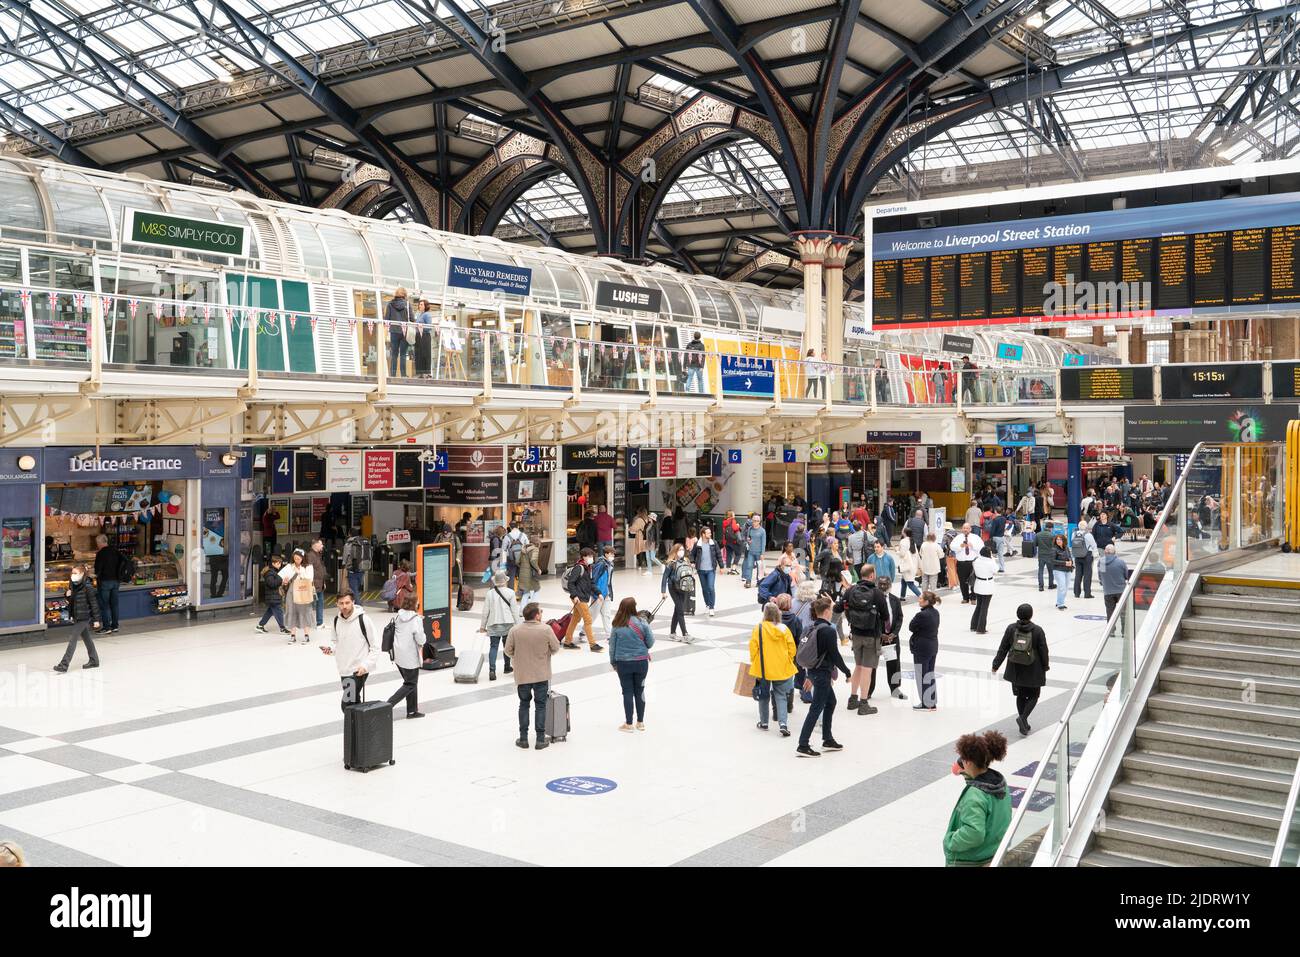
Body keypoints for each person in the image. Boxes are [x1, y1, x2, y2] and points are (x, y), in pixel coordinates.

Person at [943, 731, 1012, 866]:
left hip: (971, 861)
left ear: (968, 762)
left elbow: (974, 833)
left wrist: (950, 841)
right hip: (993, 852)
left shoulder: (975, 796)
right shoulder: (1000, 784)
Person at [796, 595, 851, 757]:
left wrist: (808, 675)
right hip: (822, 674)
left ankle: (827, 739)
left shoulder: (811, 627)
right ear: (827, 611)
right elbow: (835, 655)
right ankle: (803, 744)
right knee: (816, 708)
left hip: (814, 671)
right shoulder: (827, 630)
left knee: (831, 702)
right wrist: (847, 672)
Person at [504, 602, 561, 749]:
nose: (541, 615)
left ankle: (523, 738)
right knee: (540, 706)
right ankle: (540, 739)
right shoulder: (546, 629)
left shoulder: (515, 630)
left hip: (522, 674)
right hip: (541, 674)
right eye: (540, 612)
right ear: (536, 615)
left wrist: (518, 657)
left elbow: (507, 650)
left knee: (523, 704)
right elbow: (555, 648)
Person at [838, 565, 889, 716]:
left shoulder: (851, 590)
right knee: (867, 669)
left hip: (856, 635)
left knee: (858, 666)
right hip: (871, 636)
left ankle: (853, 699)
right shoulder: (877, 593)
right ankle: (864, 703)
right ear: (872, 575)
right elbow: (886, 616)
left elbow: (838, 608)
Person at [992, 603, 1050, 735]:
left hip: (1015, 667)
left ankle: (1023, 722)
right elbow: (1043, 650)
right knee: (1034, 695)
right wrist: (1045, 666)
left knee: (1021, 695)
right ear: (1031, 615)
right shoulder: (1038, 630)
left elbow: (1003, 648)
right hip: (1033, 668)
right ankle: (1023, 719)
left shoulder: (1011, 629)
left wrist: (996, 664)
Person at [324, 591, 379, 712]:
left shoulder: (364, 619)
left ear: (353, 602)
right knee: (354, 701)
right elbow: (335, 641)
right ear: (337, 604)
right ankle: (359, 729)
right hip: (344, 669)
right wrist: (331, 649)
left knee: (347, 704)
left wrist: (365, 665)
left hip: (358, 670)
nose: (344, 606)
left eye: (347, 603)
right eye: (341, 603)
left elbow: (375, 646)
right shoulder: (336, 621)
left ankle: (353, 729)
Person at [750, 601, 799, 736]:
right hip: (782, 668)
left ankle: (764, 722)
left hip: (763, 668)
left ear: (765, 614)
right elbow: (792, 649)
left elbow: (753, 648)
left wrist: (755, 660)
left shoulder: (759, 628)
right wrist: (787, 658)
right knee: (781, 696)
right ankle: (783, 724)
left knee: (763, 696)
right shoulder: (784, 628)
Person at [609, 597, 654, 731]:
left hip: (623, 664)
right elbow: (650, 643)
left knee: (627, 692)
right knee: (640, 691)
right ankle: (640, 722)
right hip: (641, 662)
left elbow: (612, 647)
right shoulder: (643, 623)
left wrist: (613, 662)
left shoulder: (617, 624)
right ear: (634, 607)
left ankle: (628, 724)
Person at [53, 563, 101, 673]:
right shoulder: (73, 585)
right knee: (87, 639)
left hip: (84, 616)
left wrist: (96, 620)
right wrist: (67, 594)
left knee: (72, 639)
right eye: (72, 573)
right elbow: (72, 601)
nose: (73, 575)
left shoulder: (88, 587)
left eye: (75, 573)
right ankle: (94, 660)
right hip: (76, 615)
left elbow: (94, 604)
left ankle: (64, 664)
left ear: (82, 573)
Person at [387, 594, 427, 718]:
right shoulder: (416, 619)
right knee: (410, 683)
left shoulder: (399, 616)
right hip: (410, 657)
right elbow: (421, 640)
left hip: (398, 655)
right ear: (414, 604)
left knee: (410, 682)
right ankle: (388, 705)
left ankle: (412, 710)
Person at [868, 576, 906, 702]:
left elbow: (900, 617)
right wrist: (880, 634)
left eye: (886, 584)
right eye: (881, 584)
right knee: (872, 665)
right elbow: (871, 619)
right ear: (877, 585)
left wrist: (894, 633)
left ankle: (895, 689)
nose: (883, 587)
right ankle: (868, 691)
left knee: (894, 664)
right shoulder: (872, 600)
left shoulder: (895, 600)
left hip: (892, 638)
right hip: (877, 637)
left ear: (890, 585)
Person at [480, 569, 520, 680]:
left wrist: (482, 626)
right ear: (505, 581)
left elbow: (485, 611)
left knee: (493, 647)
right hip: (507, 623)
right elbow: (514, 611)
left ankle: (492, 670)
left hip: (493, 624)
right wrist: (518, 624)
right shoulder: (510, 593)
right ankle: (507, 667)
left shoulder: (490, 594)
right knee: (507, 646)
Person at [561, 548, 602, 651]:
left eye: (592, 556)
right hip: (579, 598)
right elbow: (571, 583)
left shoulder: (589, 568)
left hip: (583, 596)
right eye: (589, 556)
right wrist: (574, 596)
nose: (591, 558)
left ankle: (567, 641)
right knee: (588, 619)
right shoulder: (579, 568)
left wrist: (599, 593)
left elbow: (591, 583)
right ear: (583, 557)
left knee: (575, 619)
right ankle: (592, 644)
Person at [908, 590, 942, 711]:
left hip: (921, 648)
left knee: (921, 675)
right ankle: (932, 702)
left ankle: (925, 703)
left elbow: (911, 627)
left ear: (927, 601)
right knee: (930, 674)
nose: (919, 599)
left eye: (921, 598)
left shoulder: (921, 615)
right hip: (933, 646)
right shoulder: (935, 612)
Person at [279, 548, 315, 644]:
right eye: (295, 558)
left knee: (305, 612)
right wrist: (284, 581)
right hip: (292, 591)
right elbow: (281, 577)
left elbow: (310, 579)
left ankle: (306, 635)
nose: (297, 560)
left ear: (303, 558)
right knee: (291, 611)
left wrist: (299, 572)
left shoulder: (308, 567)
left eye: (299, 558)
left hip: (304, 591)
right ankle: (293, 635)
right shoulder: (289, 566)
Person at [661, 542, 693, 642]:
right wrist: (663, 591)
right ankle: (685, 634)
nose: (681, 552)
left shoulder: (686, 561)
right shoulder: (671, 563)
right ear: (675, 551)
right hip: (673, 588)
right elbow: (664, 577)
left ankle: (672, 633)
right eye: (679, 550)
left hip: (683, 588)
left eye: (683, 550)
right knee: (680, 611)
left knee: (677, 610)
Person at [93, 534, 123, 635]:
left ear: (101, 542)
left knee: (104, 605)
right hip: (116, 581)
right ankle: (115, 626)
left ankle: (106, 627)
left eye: (97, 543)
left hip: (105, 582)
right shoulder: (115, 551)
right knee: (114, 605)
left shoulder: (101, 553)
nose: (97, 545)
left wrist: (93, 575)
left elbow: (97, 570)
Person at [691, 525, 720, 617]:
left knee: (711, 588)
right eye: (708, 533)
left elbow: (718, 554)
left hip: (711, 569)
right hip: (701, 570)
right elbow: (692, 554)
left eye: (710, 533)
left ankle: (712, 607)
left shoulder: (713, 543)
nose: (710, 534)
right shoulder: (698, 544)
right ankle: (707, 604)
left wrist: (722, 566)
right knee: (704, 589)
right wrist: (692, 562)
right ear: (703, 534)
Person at [255, 554, 289, 634]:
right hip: (272, 597)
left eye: (280, 563)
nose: (279, 565)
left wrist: (283, 582)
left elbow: (276, 584)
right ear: (273, 563)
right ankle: (282, 628)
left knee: (270, 611)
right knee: (279, 611)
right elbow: (272, 584)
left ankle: (260, 626)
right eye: (278, 563)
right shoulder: (269, 573)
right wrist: (281, 579)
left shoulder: (274, 572)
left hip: (274, 596)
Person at [950, 523, 981, 604]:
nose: (965, 530)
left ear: (970, 529)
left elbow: (981, 547)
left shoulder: (975, 537)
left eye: (967, 528)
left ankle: (973, 598)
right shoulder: (958, 537)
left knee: (974, 581)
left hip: (973, 563)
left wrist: (972, 545)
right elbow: (952, 546)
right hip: (961, 563)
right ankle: (965, 598)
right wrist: (960, 546)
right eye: (964, 528)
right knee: (962, 581)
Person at [969, 546, 997, 634]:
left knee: (979, 606)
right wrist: (992, 559)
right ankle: (981, 628)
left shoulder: (976, 561)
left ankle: (974, 625)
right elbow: (996, 569)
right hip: (987, 585)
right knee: (984, 607)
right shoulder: (990, 562)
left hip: (978, 584)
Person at [385, 286, 412, 377]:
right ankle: (403, 375)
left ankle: (392, 375)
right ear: (404, 295)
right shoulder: (407, 305)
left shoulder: (390, 304)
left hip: (394, 331)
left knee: (394, 354)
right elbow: (412, 318)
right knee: (403, 354)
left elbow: (386, 319)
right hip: (405, 332)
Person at [1099, 544, 1129, 621]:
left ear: (1105, 552)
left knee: (1110, 613)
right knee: (1124, 613)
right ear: (1115, 552)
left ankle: (1111, 631)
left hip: (1108, 591)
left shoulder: (1101, 562)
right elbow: (1126, 576)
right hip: (1121, 591)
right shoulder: (1120, 562)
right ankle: (1124, 630)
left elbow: (1101, 577)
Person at [1071, 520, 1098, 600]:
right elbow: (1094, 545)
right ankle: (1087, 593)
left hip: (1077, 556)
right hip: (1087, 556)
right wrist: (1096, 555)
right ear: (1086, 527)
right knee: (1087, 575)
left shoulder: (1074, 534)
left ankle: (1076, 593)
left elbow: (1072, 543)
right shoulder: (1088, 535)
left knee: (1078, 575)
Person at [342, 528, 370, 600]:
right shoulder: (363, 542)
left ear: (350, 534)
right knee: (356, 588)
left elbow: (345, 557)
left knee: (354, 590)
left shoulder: (349, 543)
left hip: (352, 569)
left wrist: (344, 565)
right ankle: (355, 605)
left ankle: (358, 606)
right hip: (362, 568)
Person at [307, 539, 328, 630]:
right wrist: (311, 584)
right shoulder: (310, 555)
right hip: (313, 584)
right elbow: (309, 571)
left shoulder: (318, 555)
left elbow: (320, 570)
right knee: (310, 605)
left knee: (320, 603)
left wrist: (324, 582)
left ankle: (319, 623)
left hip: (320, 583)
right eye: (321, 544)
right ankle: (308, 623)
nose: (322, 546)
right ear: (315, 545)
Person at [742, 513, 767, 588]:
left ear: (759, 521)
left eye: (756, 521)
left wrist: (762, 553)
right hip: (751, 552)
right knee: (749, 566)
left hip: (759, 552)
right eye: (753, 521)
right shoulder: (750, 529)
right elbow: (748, 538)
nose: (755, 522)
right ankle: (748, 581)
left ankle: (759, 581)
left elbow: (763, 543)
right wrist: (748, 541)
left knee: (759, 567)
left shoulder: (762, 531)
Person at [504, 522, 530, 590]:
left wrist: (503, 562)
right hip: (522, 559)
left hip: (511, 559)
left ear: (510, 527)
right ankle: (523, 592)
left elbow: (503, 550)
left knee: (511, 576)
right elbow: (528, 546)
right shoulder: (523, 535)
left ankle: (511, 592)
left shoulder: (507, 536)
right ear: (518, 526)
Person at [1051, 532, 1073, 609]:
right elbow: (1052, 560)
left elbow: (1069, 556)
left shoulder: (1066, 547)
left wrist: (1070, 561)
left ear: (1063, 540)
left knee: (1065, 588)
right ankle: (1061, 604)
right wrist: (1065, 563)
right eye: (1057, 539)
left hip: (1068, 570)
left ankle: (1059, 601)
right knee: (1062, 587)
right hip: (1058, 570)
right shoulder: (1054, 549)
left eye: (1060, 539)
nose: (1058, 541)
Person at [516, 540, 542, 606]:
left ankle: (522, 610)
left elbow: (517, 561)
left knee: (526, 592)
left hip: (523, 573)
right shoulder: (535, 549)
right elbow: (533, 560)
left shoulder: (523, 549)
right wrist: (538, 569)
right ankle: (534, 607)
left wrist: (523, 568)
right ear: (538, 543)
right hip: (531, 574)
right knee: (537, 589)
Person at [1035, 519, 1057, 591]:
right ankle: (1051, 585)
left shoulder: (1038, 534)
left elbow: (1034, 544)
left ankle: (1041, 586)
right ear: (1051, 528)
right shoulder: (1052, 536)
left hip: (1041, 555)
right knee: (1050, 571)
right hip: (1050, 555)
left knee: (1040, 570)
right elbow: (1054, 546)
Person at [985, 508, 1008, 573]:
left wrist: (990, 537)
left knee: (992, 553)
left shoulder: (995, 519)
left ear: (995, 511)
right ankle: (1002, 567)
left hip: (995, 537)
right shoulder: (1004, 519)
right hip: (1002, 537)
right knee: (1000, 553)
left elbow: (992, 530)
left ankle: (992, 567)